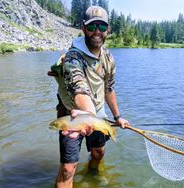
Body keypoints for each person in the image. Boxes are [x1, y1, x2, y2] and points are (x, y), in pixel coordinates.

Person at [50, 6, 129, 188]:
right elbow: (80, 90)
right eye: (92, 27)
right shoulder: (72, 58)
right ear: (83, 28)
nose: (97, 32)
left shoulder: (108, 57)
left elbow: (109, 89)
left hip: (97, 113)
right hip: (72, 117)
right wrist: (89, 118)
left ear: (108, 30)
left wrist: (117, 117)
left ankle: (92, 175)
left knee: (98, 152)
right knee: (68, 168)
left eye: (102, 27)